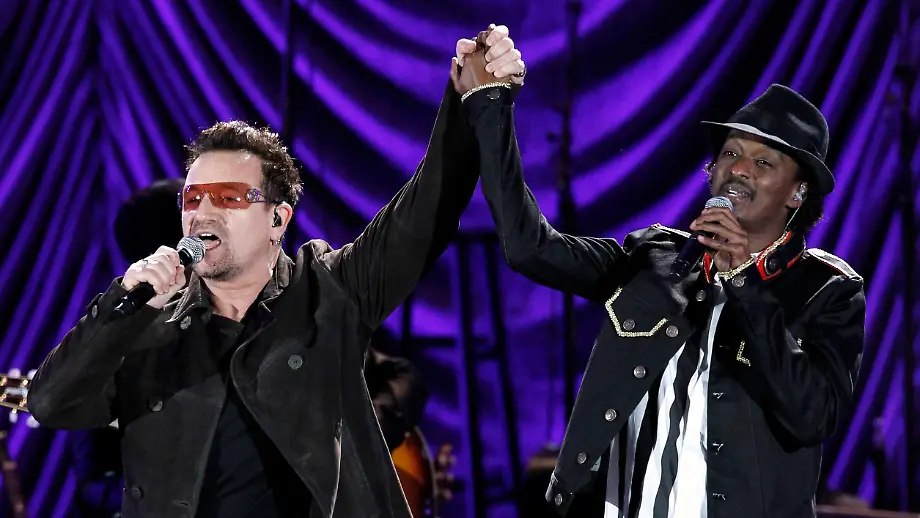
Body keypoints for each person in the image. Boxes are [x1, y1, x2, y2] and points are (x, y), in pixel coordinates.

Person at [27, 25, 526, 518]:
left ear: (278, 219)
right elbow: (50, 404)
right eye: (192, 198)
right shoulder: (146, 324)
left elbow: (425, 213)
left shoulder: (329, 291)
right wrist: (121, 307)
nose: (203, 212)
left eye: (228, 197)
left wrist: (473, 101)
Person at [478, 82, 866, 517]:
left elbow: (812, 415)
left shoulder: (827, 290)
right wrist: (490, 106)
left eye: (763, 162)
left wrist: (742, 280)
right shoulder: (654, 258)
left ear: (798, 192)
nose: (739, 169)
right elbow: (530, 248)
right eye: (731, 153)